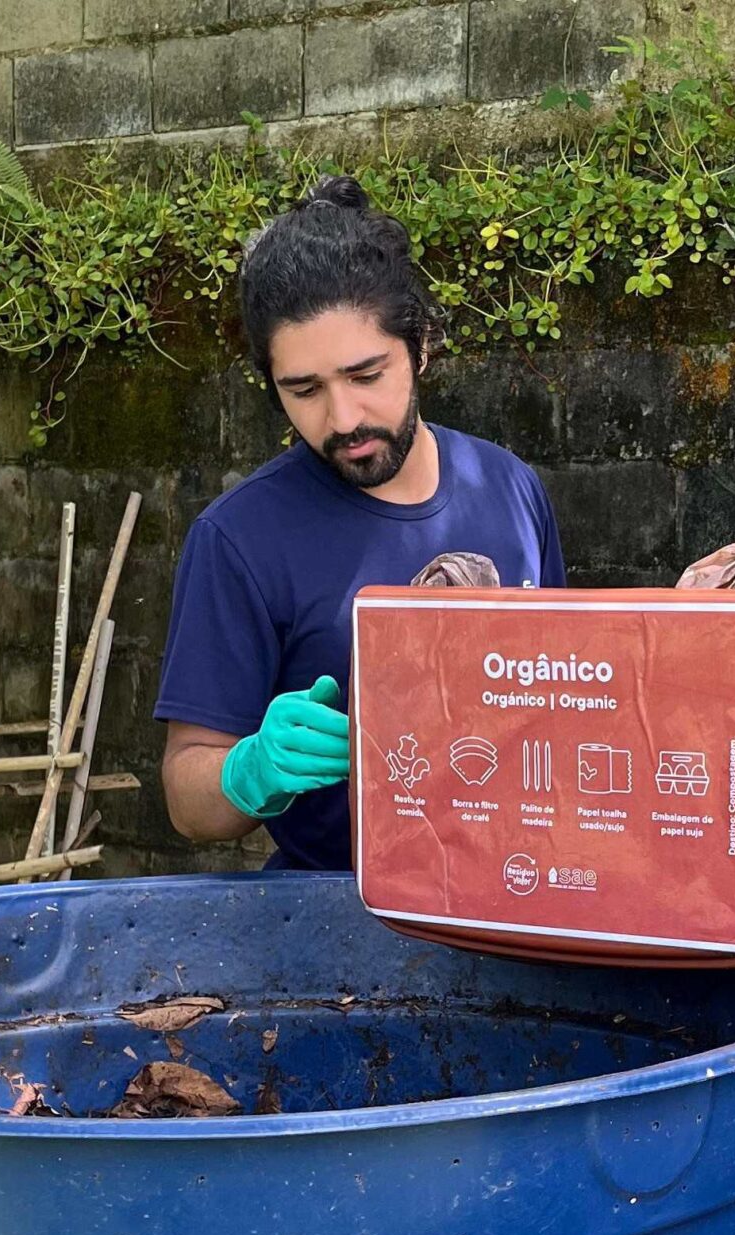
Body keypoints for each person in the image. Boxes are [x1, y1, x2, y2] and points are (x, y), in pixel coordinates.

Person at [157, 176, 566, 870]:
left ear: (423, 346)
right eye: (305, 390)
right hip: (341, 923)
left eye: (366, 374)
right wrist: (250, 772)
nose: (342, 419)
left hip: (521, 886)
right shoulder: (240, 537)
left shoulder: (510, 487)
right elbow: (186, 797)